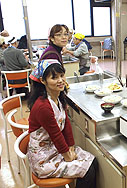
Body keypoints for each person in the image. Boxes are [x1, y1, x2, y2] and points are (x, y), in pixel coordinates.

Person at [27, 59, 97, 188]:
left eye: (61, 76)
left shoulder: (58, 97)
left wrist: (70, 146)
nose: (60, 80)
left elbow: (65, 124)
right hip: (43, 158)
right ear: (43, 81)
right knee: (88, 169)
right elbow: (55, 134)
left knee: (92, 160)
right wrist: (67, 155)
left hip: (54, 148)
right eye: (54, 78)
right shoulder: (43, 106)